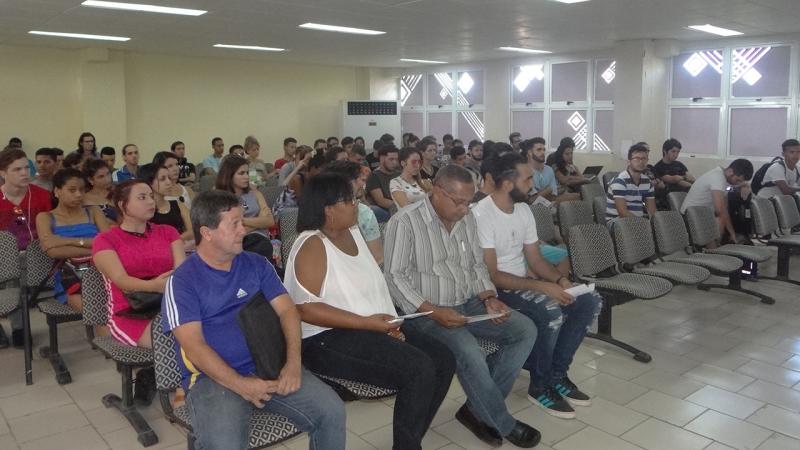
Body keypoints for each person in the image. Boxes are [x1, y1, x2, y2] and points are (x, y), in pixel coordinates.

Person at [162, 190, 346, 450]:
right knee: (225, 444)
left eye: (243, 221)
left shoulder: (256, 264)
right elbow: (194, 346)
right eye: (234, 224)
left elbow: (288, 311)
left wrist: (294, 363)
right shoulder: (182, 282)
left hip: (269, 365)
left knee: (331, 412)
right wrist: (241, 385)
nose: (243, 229)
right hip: (211, 380)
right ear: (207, 233)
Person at [285, 173, 455, 450]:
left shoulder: (353, 231)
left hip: (373, 325)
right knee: (419, 369)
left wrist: (389, 323)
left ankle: (411, 437)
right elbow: (306, 309)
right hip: (326, 339)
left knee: (444, 359)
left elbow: (372, 285)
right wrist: (369, 324)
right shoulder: (312, 244)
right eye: (349, 200)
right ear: (328, 210)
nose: (356, 203)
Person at [383, 165, 540, 448]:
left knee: (524, 330)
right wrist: (434, 310)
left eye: (469, 202)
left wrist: (488, 297)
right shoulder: (404, 222)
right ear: (437, 193)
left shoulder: (465, 219)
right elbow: (394, 277)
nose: (465, 209)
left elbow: (476, 265)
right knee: (469, 351)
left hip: (467, 301)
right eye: (459, 201)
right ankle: (502, 423)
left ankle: (477, 410)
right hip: (425, 312)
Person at [474, 153, 601, 419]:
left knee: (589, 301)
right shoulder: (482, 215)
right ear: (508, 183)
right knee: (550, 311)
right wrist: (542, 288)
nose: (533, 184)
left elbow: (534, 258)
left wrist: (559, 280)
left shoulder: (523, 210)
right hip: (495, 291)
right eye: (528, 178)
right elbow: (492, 275)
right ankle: (540, 386)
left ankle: (557, 375)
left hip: (522, 283)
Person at [92, 180, 185, 403]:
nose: (151, 201)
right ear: (123, 205)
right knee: (178, 334)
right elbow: (122, 281)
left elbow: (182, 271)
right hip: (130, 313)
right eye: (142, 197)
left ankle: (163, 376)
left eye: (151, 196)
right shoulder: (105, 240)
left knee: (207, 323)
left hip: (169, 303)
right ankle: (182, 391)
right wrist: (154, 285)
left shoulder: (168, 232)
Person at [0, 147, 53, 348]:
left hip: (38, 254)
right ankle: (19, 328)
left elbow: (50, 228)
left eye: (26, 168)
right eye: (17, 169)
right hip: (5, 259)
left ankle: (20, 329)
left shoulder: (41, 195)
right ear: (2, 173)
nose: (24, 173)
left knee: (17, 278)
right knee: (11, 277)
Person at [35, 168, 109, 312]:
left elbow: (108, 243)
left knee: (117, 304)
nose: (79, 195)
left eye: (82, 190)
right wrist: (95, 245)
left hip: (103, 270)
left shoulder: (93, 211)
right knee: (95, 309)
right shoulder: (45, 217)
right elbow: (53, 251)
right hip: (69, 277)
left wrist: (65, 240)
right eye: (72, 190)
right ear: (57, 191)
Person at [216, 156, 281, 269]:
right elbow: (226, 227)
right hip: (233, 242)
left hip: (258, 240)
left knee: (260, 247)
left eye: (247, 172)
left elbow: (270, 221)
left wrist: (241, 220)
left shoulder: (255, 193)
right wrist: (259, 220)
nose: (246, 177)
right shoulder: (220, 197)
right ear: (229, 175)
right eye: (241, 173)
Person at [321, 161, 383, 264]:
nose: (361, 183)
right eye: (355, 179)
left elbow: (378, 257)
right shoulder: (319, 211)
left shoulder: (364, 213)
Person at [681, 159, 754, 245]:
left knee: (723, 218)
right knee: (719, 219)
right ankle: (713, 250)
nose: (737, 183)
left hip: (702, 216)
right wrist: (731, 233)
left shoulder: (724, 178)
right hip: (690, 218)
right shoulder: (717, 178)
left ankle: (716, 248)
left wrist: (732, 234)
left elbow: (725, 209)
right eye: (738, 180)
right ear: (730, 171)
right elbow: (720, 211)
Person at [138, 163, 194, 245]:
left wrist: (176, 241)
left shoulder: (178, 204)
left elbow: (192, 230)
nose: (169, 182)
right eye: (162, 179)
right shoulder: (142, 211)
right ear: (149, 183)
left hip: (181, 247)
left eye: (169, 178)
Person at [605, 144, 657, 226]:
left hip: (638, 221)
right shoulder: (619, 181)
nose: (641, 162)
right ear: (629, 161)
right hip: (617, 222)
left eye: (644, 159)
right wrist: (643, 224)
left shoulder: (647, 182)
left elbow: (652, 210)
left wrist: (654, 224)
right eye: (637, 158)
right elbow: (623, 213)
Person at [523, 138, 580, 204]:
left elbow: (553, 196)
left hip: (551, 204)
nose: (542, 152)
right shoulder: (524, 171)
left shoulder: (549, 169)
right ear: (530, 152)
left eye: (544, 150)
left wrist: (542, 193)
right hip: (534, 209)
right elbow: (531, 201)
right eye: (539, 150)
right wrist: (547, 190)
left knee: (577, 196)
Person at [365, 145, 399, 221]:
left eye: (396, 159)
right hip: (386, 211)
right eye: (391, 159)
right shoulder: (374, 176)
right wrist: (403, 206)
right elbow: (381, 201)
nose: (395, 162)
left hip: (402, 206)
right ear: (382, 159)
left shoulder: (399, 174)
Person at [82, 158, 117, 223]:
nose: (107, 179)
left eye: (108, 174)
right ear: (90, 180)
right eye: (101, 177)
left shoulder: (118, 192)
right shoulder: (84, 199)